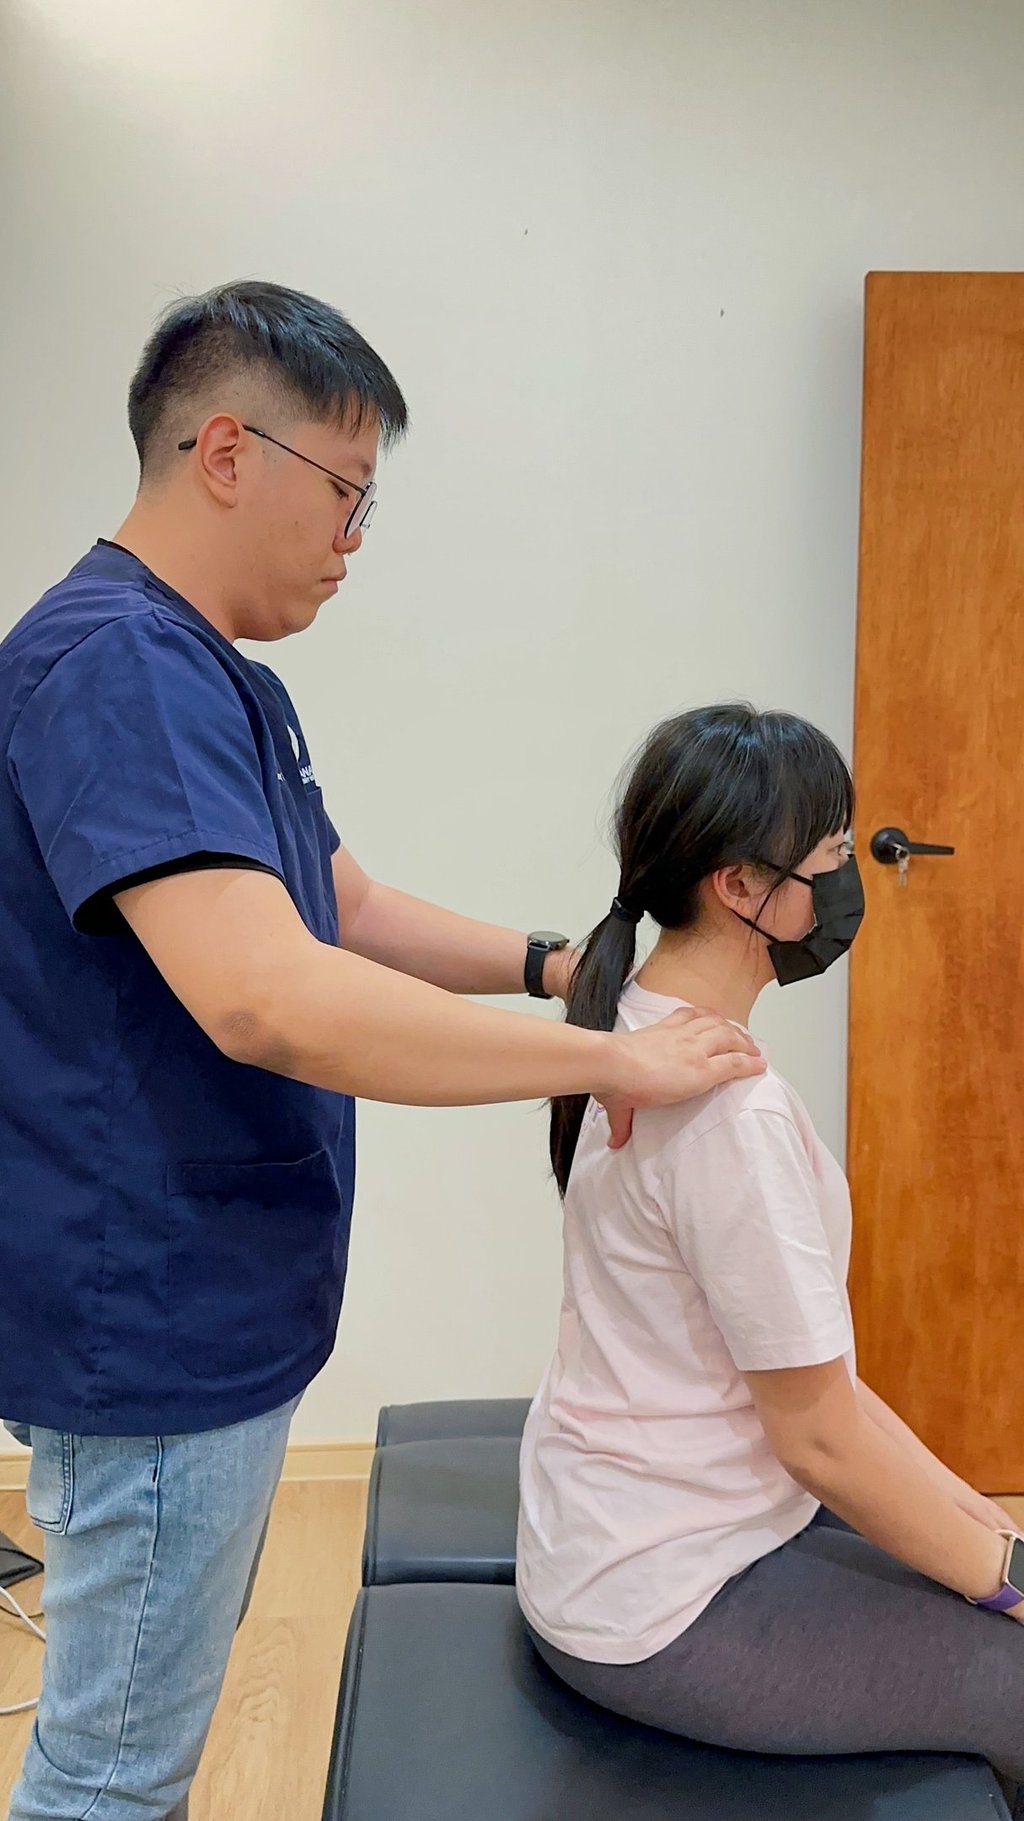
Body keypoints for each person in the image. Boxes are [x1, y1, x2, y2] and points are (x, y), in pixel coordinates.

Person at [0, 283, 765, 1821]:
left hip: (211, 1294)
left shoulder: (222, 678)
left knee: (137, 1738)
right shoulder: (118, 666)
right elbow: (264, 995)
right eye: (348, 493)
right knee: (110, 1771)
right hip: (152, 1316)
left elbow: (335, 905)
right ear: (228, 450)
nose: (355, 538)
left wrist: (557, 969)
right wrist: (608, 1066)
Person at [517, 703, 1024, 1804]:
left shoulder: (635, 1025)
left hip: (622, 1533)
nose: (847, 877)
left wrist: (987, 1528)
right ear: (740, 888)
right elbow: (821, 1442)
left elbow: (821, 1392)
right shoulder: (726, 1116)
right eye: (833, 852)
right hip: (662, 1600)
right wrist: (1009, 1580)